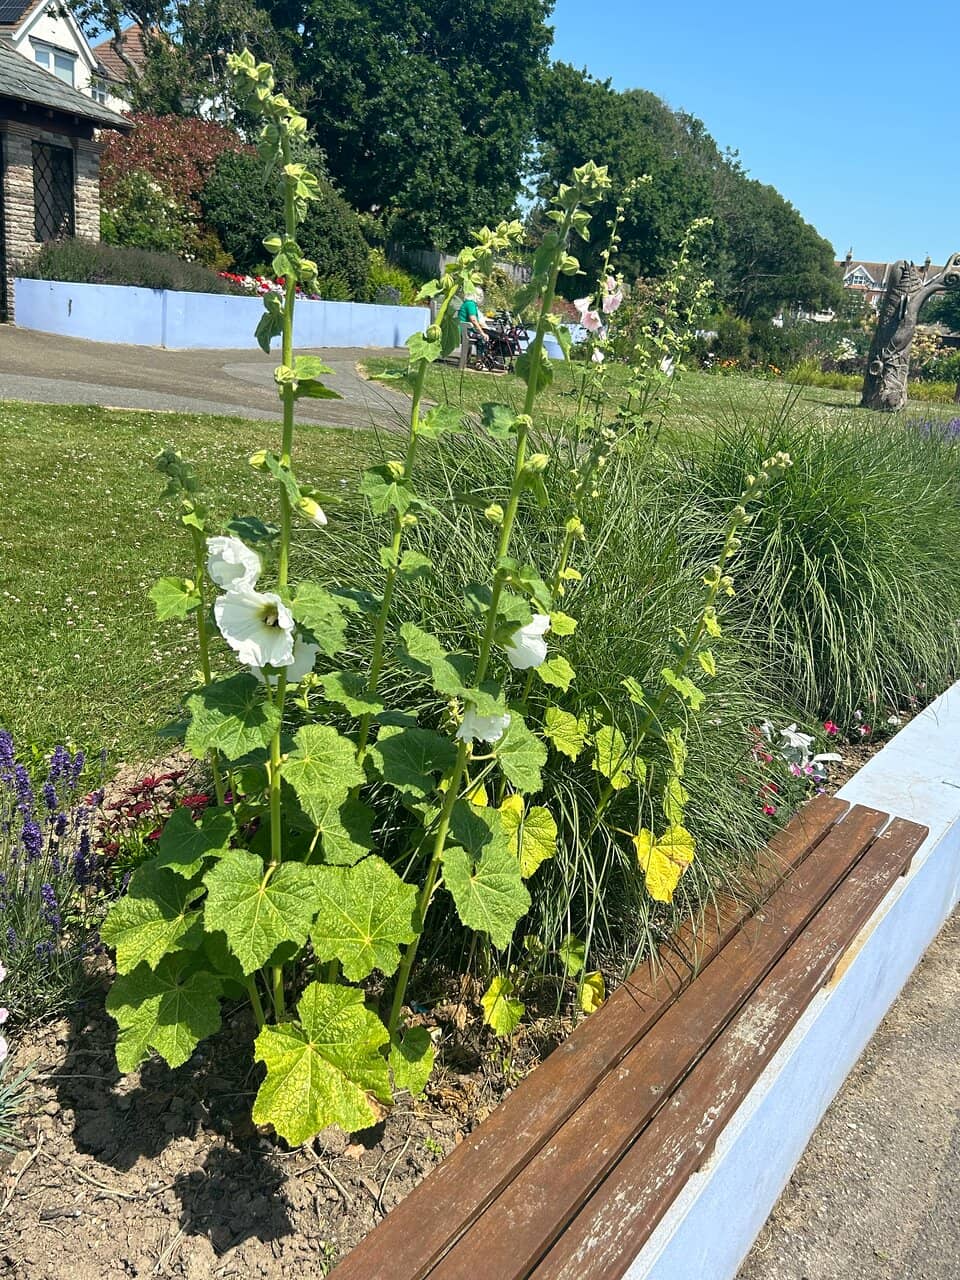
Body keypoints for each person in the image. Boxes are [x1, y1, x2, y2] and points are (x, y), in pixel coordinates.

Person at [458, 288, 488, 369]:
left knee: (482, 335)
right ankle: (479, 362)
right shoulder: (470, 304)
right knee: (482, 338)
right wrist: (482, 333)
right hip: (463, 331)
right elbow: (473, 319)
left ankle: (481, 360)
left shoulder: (467, 303)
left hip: (464, 330)